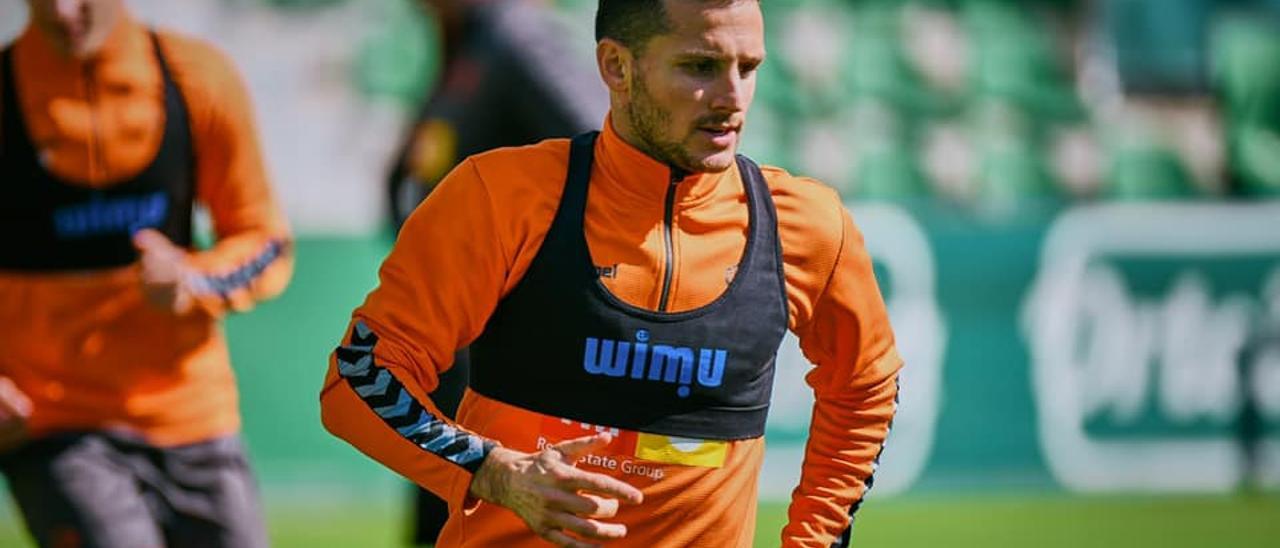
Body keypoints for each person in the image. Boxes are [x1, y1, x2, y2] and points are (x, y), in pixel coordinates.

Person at [321, 0, 901, 546]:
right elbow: (361, 374)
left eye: (747, 68)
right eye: (700, 66)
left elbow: (864, 388)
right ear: (616, 67)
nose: (733, 97)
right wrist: (494, 472)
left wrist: (813, 538)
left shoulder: (808, 226)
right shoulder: (496, 197)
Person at [0, 1, 292, 546]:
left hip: (194, 418)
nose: (64, 13)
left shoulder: (196, 76)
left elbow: (266, 242)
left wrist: (192, 280)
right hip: (55, 422)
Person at [384, 1, 607, 542]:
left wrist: (522, 273)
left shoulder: (516, 39)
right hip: (453, 326)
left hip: (498, 337)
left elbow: (603, 152)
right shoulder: (468, 41)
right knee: (442, 505)